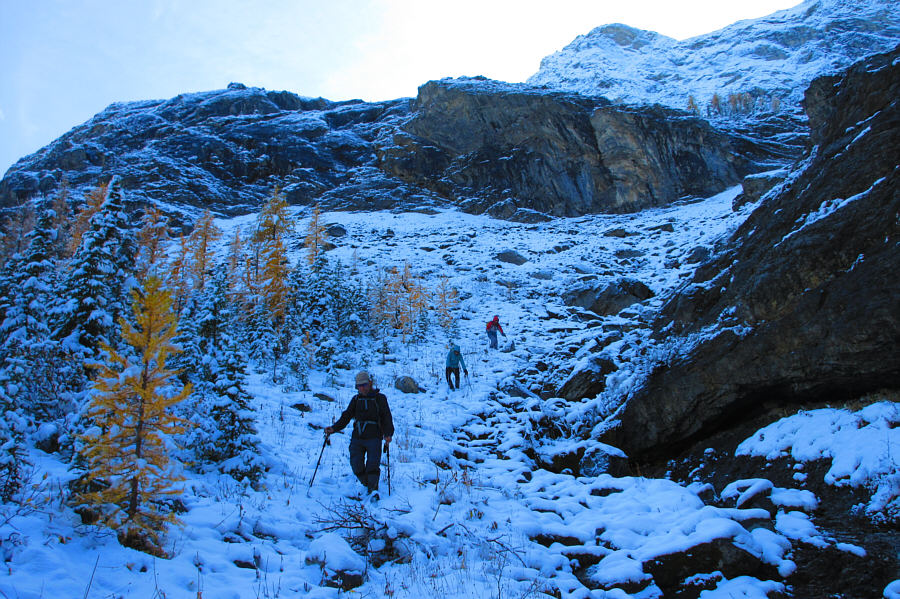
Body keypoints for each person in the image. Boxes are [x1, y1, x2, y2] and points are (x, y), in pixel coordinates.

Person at [325, 371, 394, 497]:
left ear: (370, 383)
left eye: (364, 385)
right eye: (358, 386)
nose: (361, 388)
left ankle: (373, 490)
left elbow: (386, 417)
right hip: (358, 437)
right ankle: (367, 483)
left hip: (374, 437)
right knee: (356, 464)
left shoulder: (380, 398)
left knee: (372, 465)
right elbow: (346, 416)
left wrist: (388, 434)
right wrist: (334, 428)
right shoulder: (356, 399)